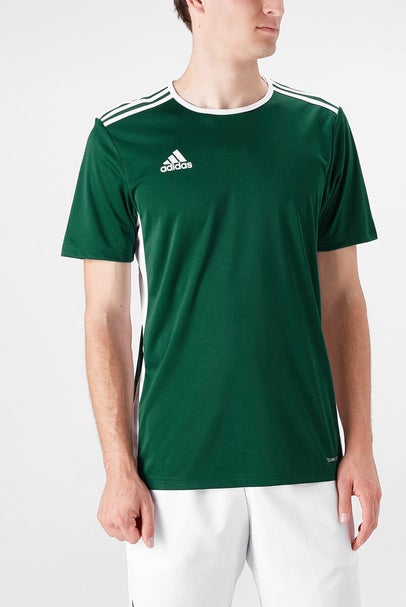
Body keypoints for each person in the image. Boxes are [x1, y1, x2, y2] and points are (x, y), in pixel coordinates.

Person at [60, 0, 382, 605]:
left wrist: (360, 445)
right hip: (173, 473)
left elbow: (343, 298)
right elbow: (104, 316)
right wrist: (118, 467)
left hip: (307, 462)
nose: (275, 7)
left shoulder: (321, 129)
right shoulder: (122, 137)